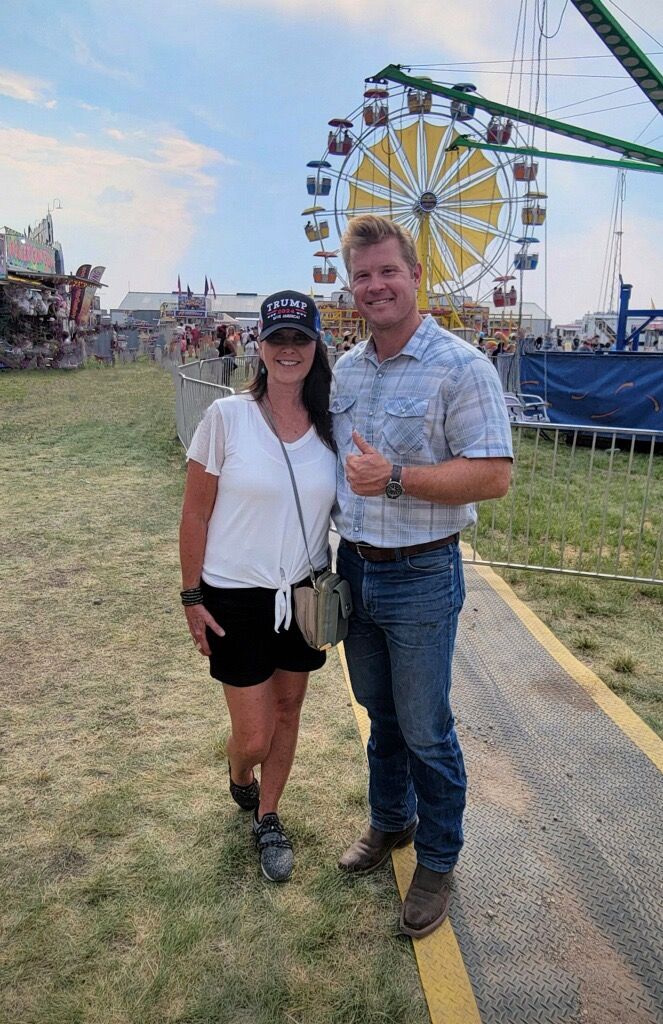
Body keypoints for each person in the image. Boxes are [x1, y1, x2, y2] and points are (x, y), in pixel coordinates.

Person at [331, 215, 512, 938]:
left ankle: (437, 857)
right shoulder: (344, 369)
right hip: (355, 569)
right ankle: (390, 823)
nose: (376, 285)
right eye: (363, 276)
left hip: (420, 573)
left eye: (387, 272)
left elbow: (493, 476)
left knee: (427, 729)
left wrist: (396, 479)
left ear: (414, 277)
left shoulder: (460, 365)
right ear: (353, 288)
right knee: (381, 718)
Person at [179, 291, 336, 883]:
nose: (288, 349)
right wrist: (191, 596)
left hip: (302, 595)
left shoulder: (330, 426)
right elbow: (195, 514)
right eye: (277, 339)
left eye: (300, 338)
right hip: (235, 598)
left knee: (289, 710)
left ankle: (268, 815)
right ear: (259, 347)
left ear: (316, 346)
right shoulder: (227, 418)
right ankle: (240, 774)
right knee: (253, 732)